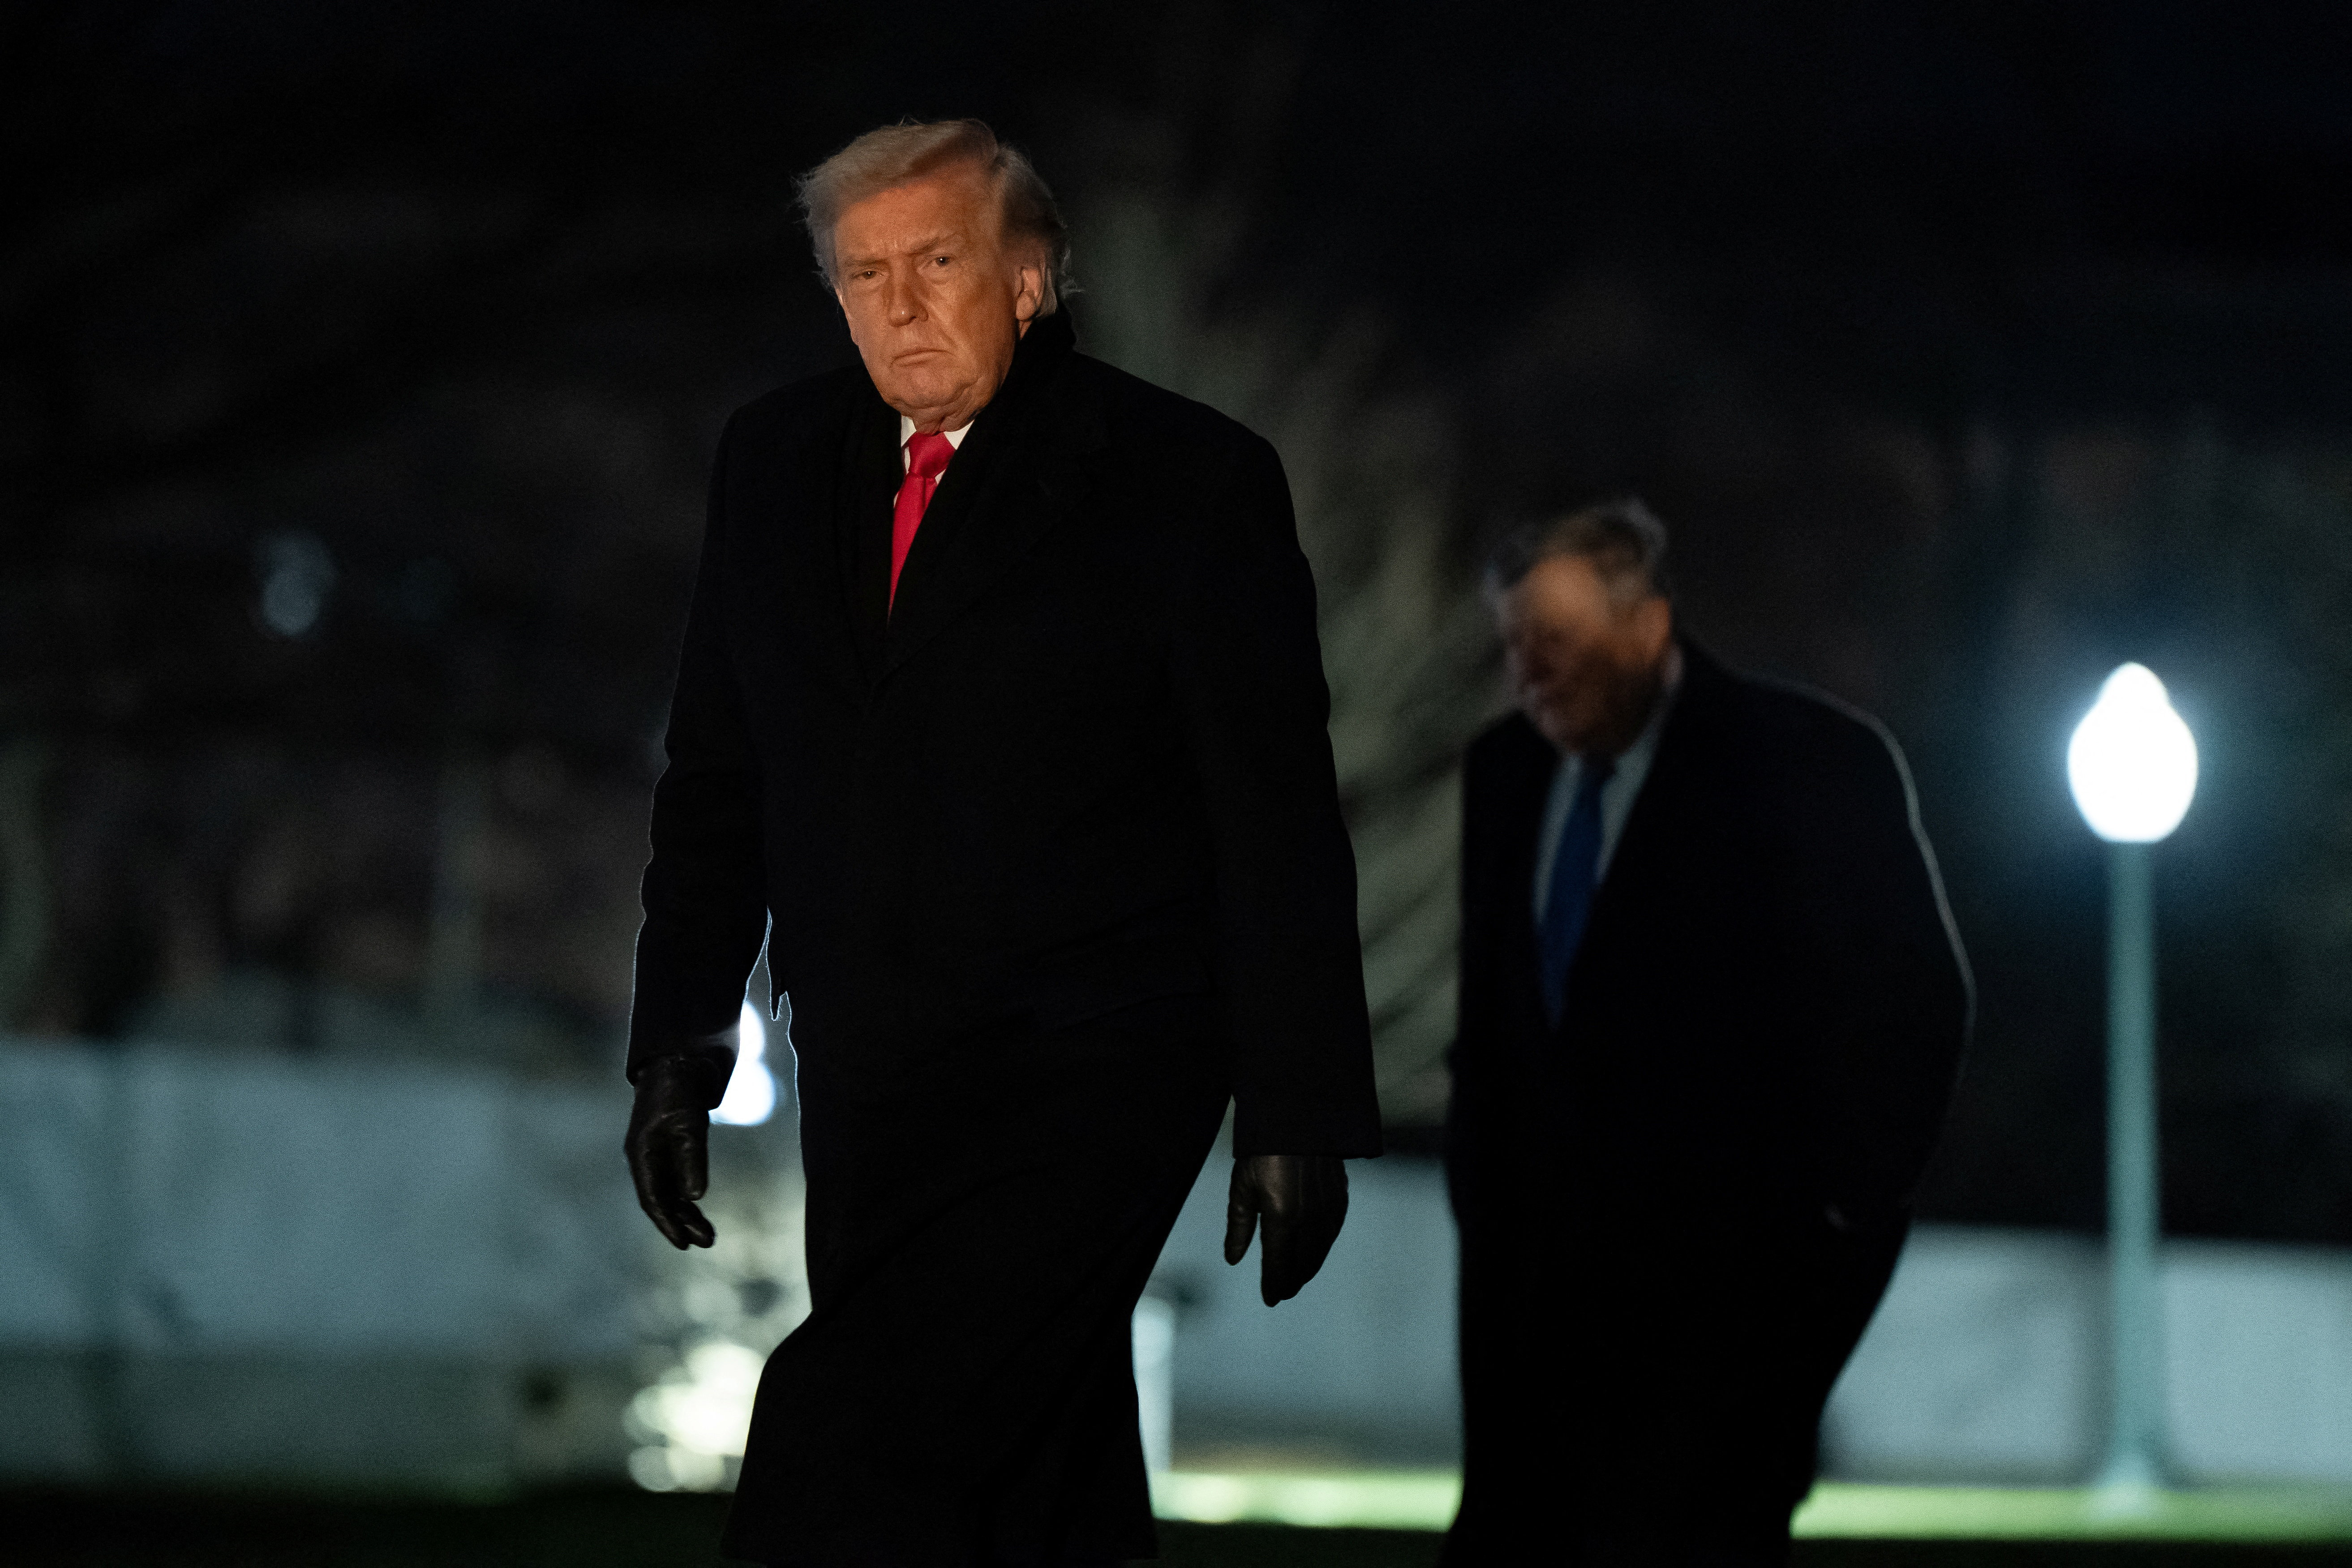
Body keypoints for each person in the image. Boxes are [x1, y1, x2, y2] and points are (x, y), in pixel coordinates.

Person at [619, 119, 1382, 1567]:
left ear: (1030, 282)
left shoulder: (1189, 482)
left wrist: (1298, 1104)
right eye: (860, 275)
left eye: (937, 263)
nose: (895, 304)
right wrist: (678, 1038)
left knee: (853, 1423)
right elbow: (719, 773)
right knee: (1038, 1464)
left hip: (1100, 1060)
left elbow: (1272, 809)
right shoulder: (773, 461)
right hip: (872, 1048)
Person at [1442, 500, 1970, 1566]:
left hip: (1725, 1343)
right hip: (1528, 1341)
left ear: (1645, 628)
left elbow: (1912, 1010)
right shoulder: (1503, 772)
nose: (1528, 671)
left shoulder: (1809, 765)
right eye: (1514, 643)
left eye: (1558, 639)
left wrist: (1829, 1231)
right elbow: (1502, 1033)